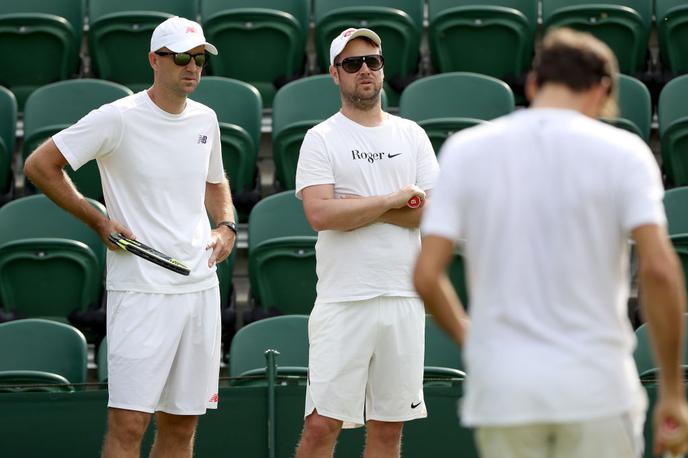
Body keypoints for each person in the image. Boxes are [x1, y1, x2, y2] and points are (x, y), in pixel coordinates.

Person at [413, 27, 688, 458]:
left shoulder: (466, 150)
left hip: (505, 392)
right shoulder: (626, 152)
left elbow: (426, 275)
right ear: (602, 90)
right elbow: (658, 269)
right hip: (597, 388)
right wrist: (672, 392)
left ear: (532, 85)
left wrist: (477, 343)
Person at [23, 16, 236, 458]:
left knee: (182, 426)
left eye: (198, 59)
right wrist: (98, 220)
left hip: (200, 287)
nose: (192, 67)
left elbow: (215, 182)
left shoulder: (207, 118)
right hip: (140, 291)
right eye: (181, 58)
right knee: (130, 423)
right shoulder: (117, 117)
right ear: (154, 61)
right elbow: (40, 165)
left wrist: (226, 225)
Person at [293, 28, 439, 457]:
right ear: (334, 74)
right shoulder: (321, 138)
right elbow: (321, 215)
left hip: (402, 296)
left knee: (388, 429)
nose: (365, 71)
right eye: (352, 63)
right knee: (322, 425)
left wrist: (359, 208)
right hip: (344, 300)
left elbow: (433, 212)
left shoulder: (412, 134)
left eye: (372, 62)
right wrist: (396, 199)